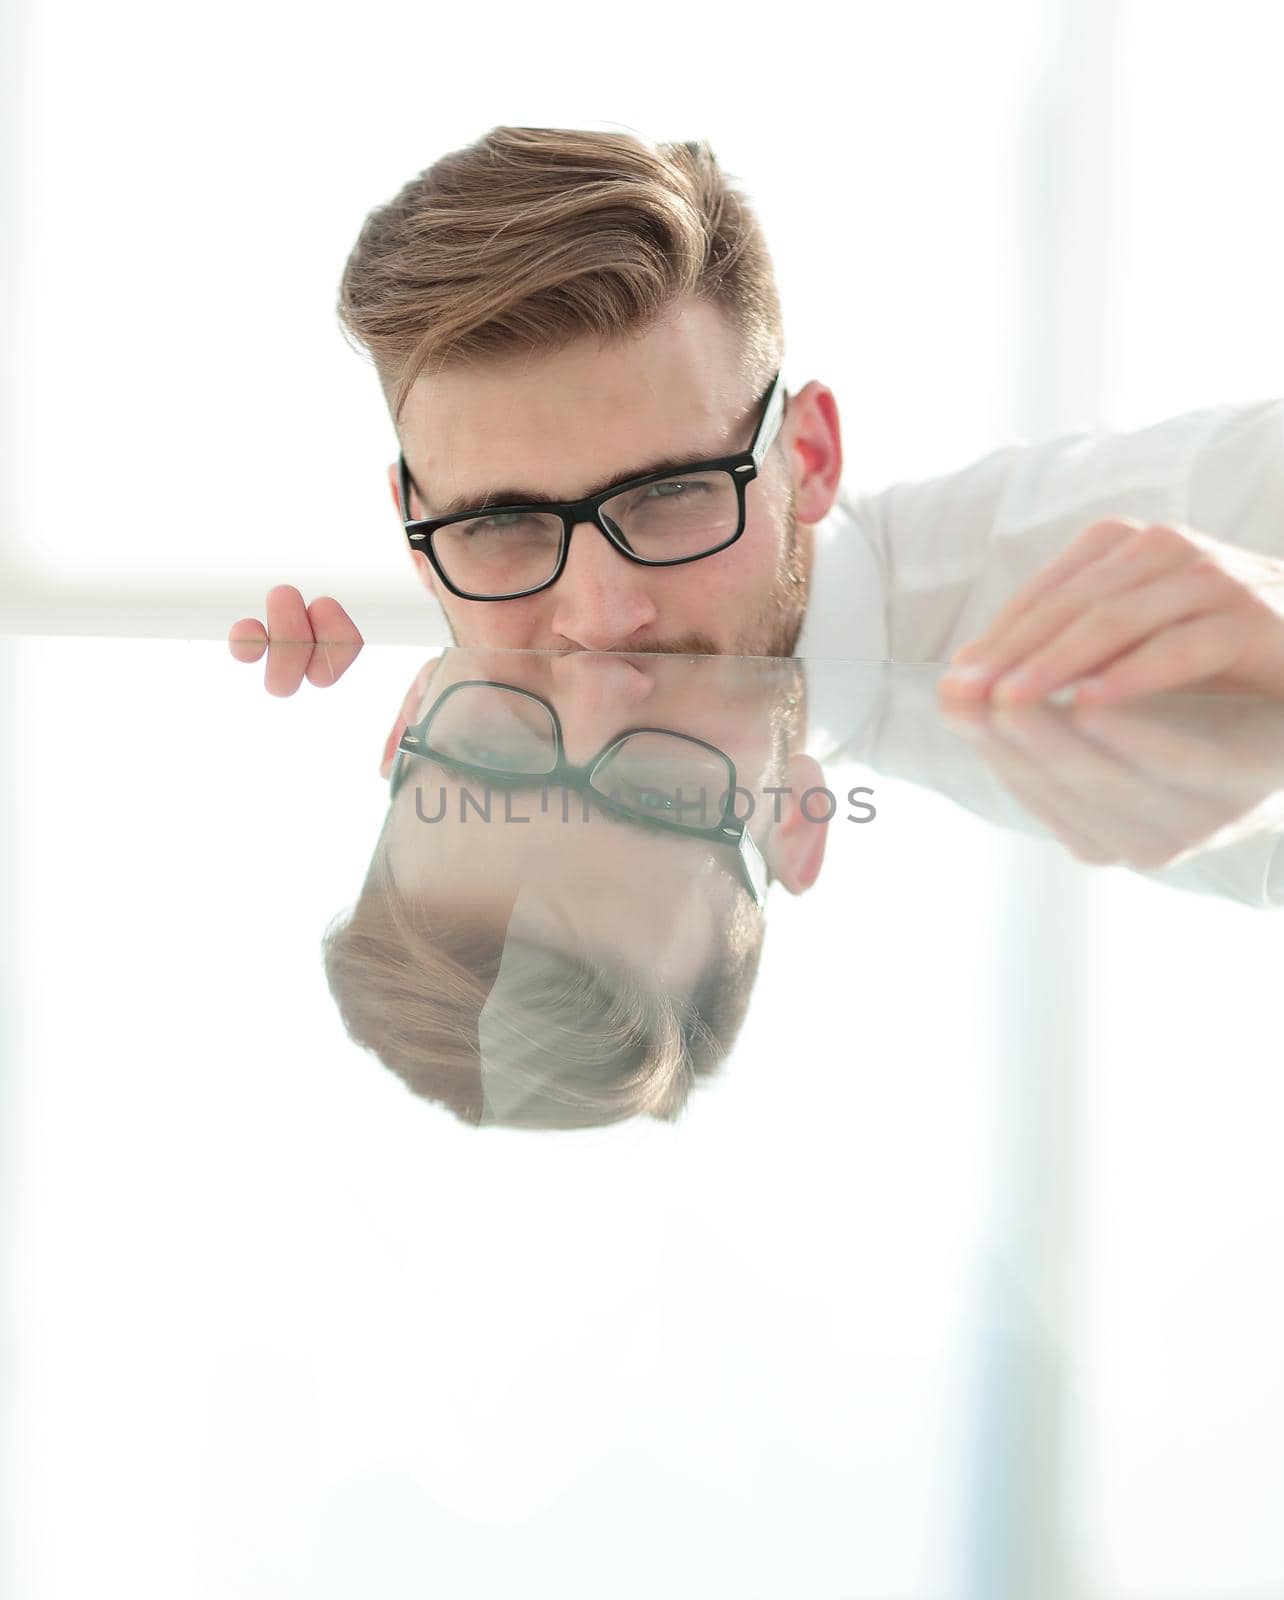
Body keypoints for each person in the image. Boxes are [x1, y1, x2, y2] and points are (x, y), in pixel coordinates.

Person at [230, 125, 1284, 705]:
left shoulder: (1205, 519)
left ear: (809, 455)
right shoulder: (481, 718)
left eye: (672, 494)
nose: (600, 619)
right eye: (498, 525)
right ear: (420, 537)